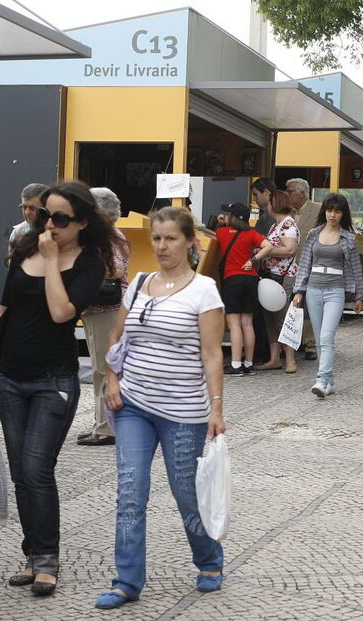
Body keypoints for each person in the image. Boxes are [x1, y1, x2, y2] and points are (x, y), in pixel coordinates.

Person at [0, 181, 112, 595]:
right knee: (21, 473)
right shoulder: (24, 249)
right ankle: (33, 555)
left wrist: (51, 261)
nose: (49, 224)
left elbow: (61, 312)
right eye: (46, 214)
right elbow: (4, 309)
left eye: (61, 218)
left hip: (53, 380)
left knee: (37, 469)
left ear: (82, 222)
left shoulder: (89, 264)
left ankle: (48, 559)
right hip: (10, 377)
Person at [94, 207, 227, 609]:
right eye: (156, 238)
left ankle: (209, 559)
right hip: (132, 405)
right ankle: (126, 581)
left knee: (185, 492)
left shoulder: (204, 290)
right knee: (130, 492)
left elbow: (212, 356)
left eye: (171, 238)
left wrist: (216, 408)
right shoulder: (138, 283)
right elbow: (116, 339)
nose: (162, 246)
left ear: (190, 242)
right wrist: (112, 380)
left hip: (183, 411)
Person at [293, 193, 363, 397]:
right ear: (324, 211)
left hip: (335, 290)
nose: (332, 215)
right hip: (313, 290)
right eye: (330, 210)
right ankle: (329, 381)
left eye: (337, 211)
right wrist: (299, 291)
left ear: (343, 214)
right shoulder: (313, 234)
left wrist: (359, 296)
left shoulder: (348, 238)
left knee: (326, 336)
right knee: (319, 338)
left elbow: (356, 268)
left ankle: (321, 379)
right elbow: (305, 263)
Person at [76, 187, 130, 446]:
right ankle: (102, 423)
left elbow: (115, 269)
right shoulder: (106, 235)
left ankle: (107, 428)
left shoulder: (109, 236)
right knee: (101, 368)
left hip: (106, 309)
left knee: (104, 368)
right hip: (97, 309)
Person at [214, 202, 274, 376]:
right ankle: (248, 363)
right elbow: (268, 246)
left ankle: (235, 364)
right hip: (251, 279)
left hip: (232, 280)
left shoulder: (222, 232)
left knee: (234, 325)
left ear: (231, 217)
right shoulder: (251, 233)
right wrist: (253, 260)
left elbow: (210, 236)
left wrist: (219, 222)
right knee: (247, 323)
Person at [255, 191, 299, 373]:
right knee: (270, 317)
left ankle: (290, 359)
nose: (267, 207)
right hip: (271, 275)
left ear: (275, 204)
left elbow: (289, 250)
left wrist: (264, 251)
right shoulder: (277, 225)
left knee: (281, 317)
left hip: (282, 276)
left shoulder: (288, 225)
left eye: (269, 203)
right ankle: (274, 358)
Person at [287, 177, 321, 361]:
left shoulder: (317, 211)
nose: (287, 194)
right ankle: (293, 340)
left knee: (309, 305)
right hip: (288, 266)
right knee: (293, 305)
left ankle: (310, 343)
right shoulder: (287, 212)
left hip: (310, 265)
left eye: (290, 191)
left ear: (302, 193)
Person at [8, 183, 48, 249]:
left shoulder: (56, 232)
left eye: (32, 208)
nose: (27, 212)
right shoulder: (17, 233)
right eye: (24, 207)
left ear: (45, 208)